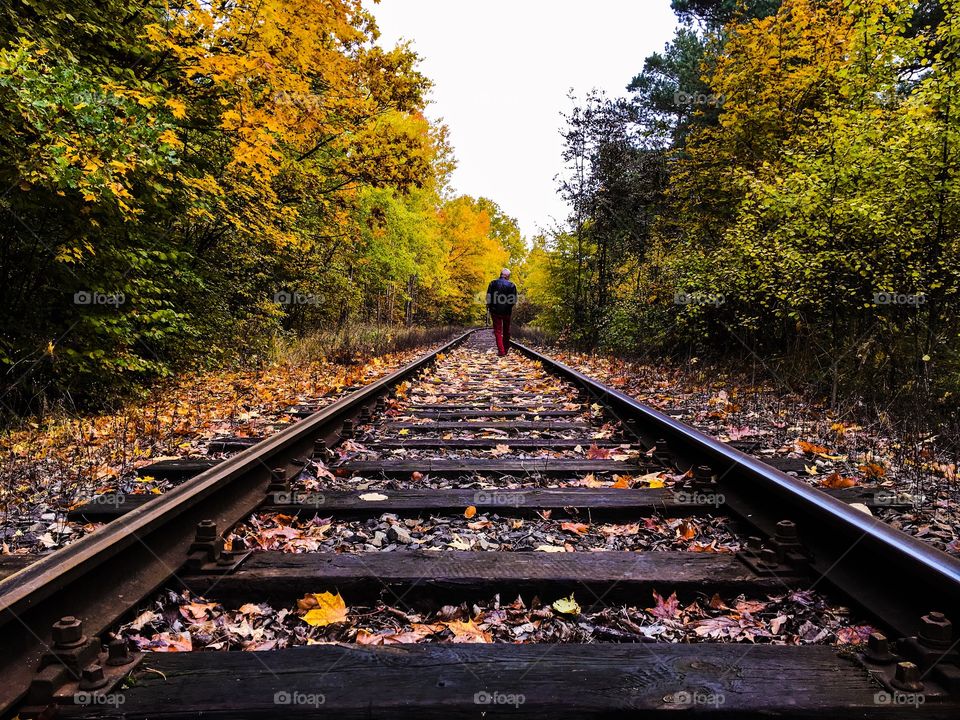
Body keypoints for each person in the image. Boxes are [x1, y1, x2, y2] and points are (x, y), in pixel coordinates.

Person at [486, 268, 517, 356]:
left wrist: (490, 306)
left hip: (495, 311)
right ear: (507, 276)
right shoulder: (512, 285)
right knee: (507, 330)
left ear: (501, 274)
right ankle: (506, 349)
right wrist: (508, 307)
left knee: (498, 331)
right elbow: (514, 300)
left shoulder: (492, 283)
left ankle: (501, 351)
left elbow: (488, 297)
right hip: (507, 311)